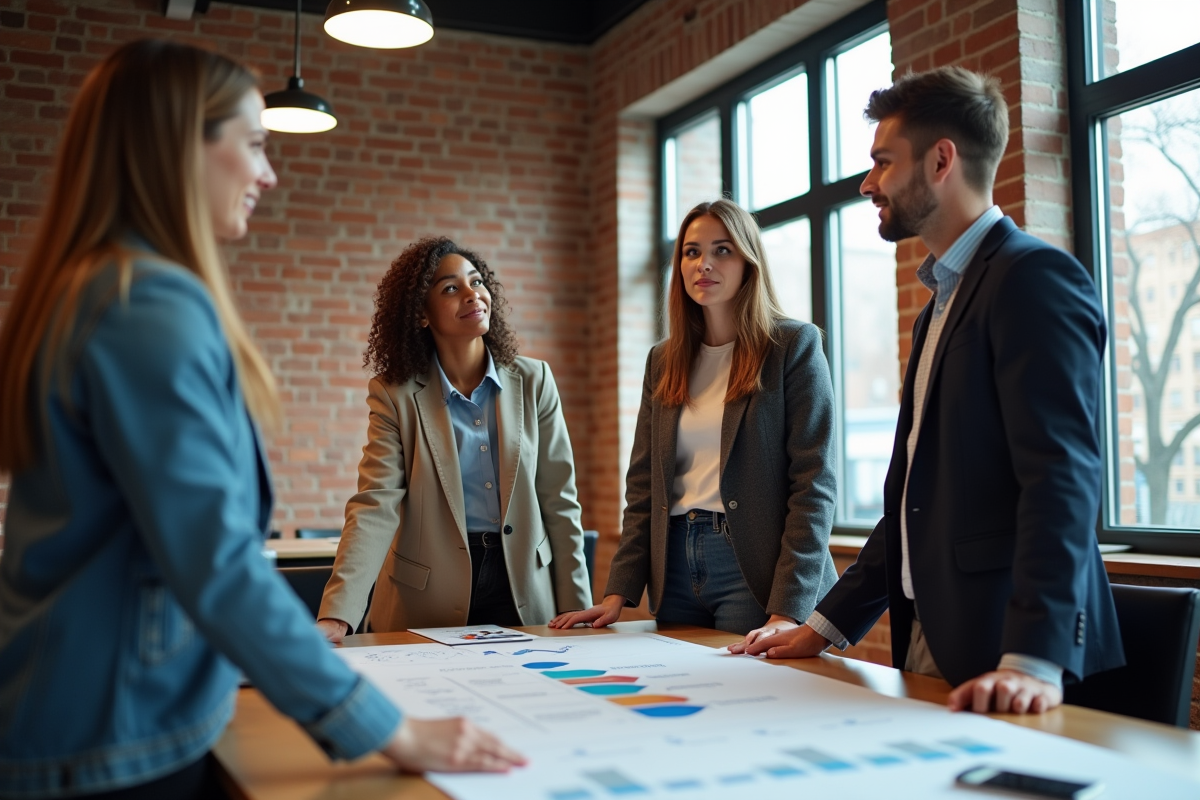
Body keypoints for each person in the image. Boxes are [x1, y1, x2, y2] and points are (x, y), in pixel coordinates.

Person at [0, 40, 523, 799]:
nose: (267, 173)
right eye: (251, 145)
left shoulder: (93, 290)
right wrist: (387, 726)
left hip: (86, 713)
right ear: (181, 147)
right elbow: (215, 562)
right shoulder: (146, 306)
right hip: (116, 735)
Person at [736, 67, 1124, 715]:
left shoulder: (1033, 278)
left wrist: (1032, 658)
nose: (868, 184)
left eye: (883, 163)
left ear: (941, 159)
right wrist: (822, 628)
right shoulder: (940, 301)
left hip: (1013, 657)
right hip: (937, 640)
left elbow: (1062, 480)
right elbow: (915, 501)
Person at [551, 198, 837, 644]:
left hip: (754, 571)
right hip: (675, 572)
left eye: (722, 250)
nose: (704, 263)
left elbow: (814, 484)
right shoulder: (663, 361)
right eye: (692, 251)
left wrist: (786, 608)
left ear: (749, 261)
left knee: (745, 701)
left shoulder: (792, 345)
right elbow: (644, 484)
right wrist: (618, 592)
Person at [315, 236, 592, 642]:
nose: (471, 294)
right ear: (421, 315)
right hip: (425, 596)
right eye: (450, 288)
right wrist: (337, 616)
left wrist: (578, 608)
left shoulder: (535, 381)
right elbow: (375, 504)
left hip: (524, 588)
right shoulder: (394, 394)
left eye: (476, 281)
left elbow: (559, 500)